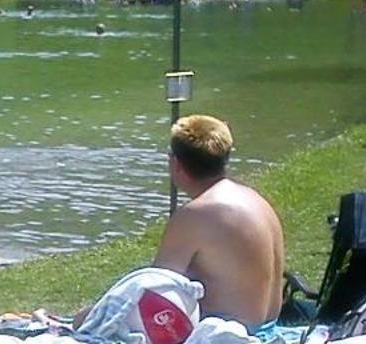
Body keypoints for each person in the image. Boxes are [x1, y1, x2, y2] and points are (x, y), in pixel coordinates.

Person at [98, 115, 286, 329]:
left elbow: (157, 293)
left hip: (229, 332)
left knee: (93, 324)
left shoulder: (195, 216)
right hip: (269, 324)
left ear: (175, 163)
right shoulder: (257, 200)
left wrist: (92, 315)